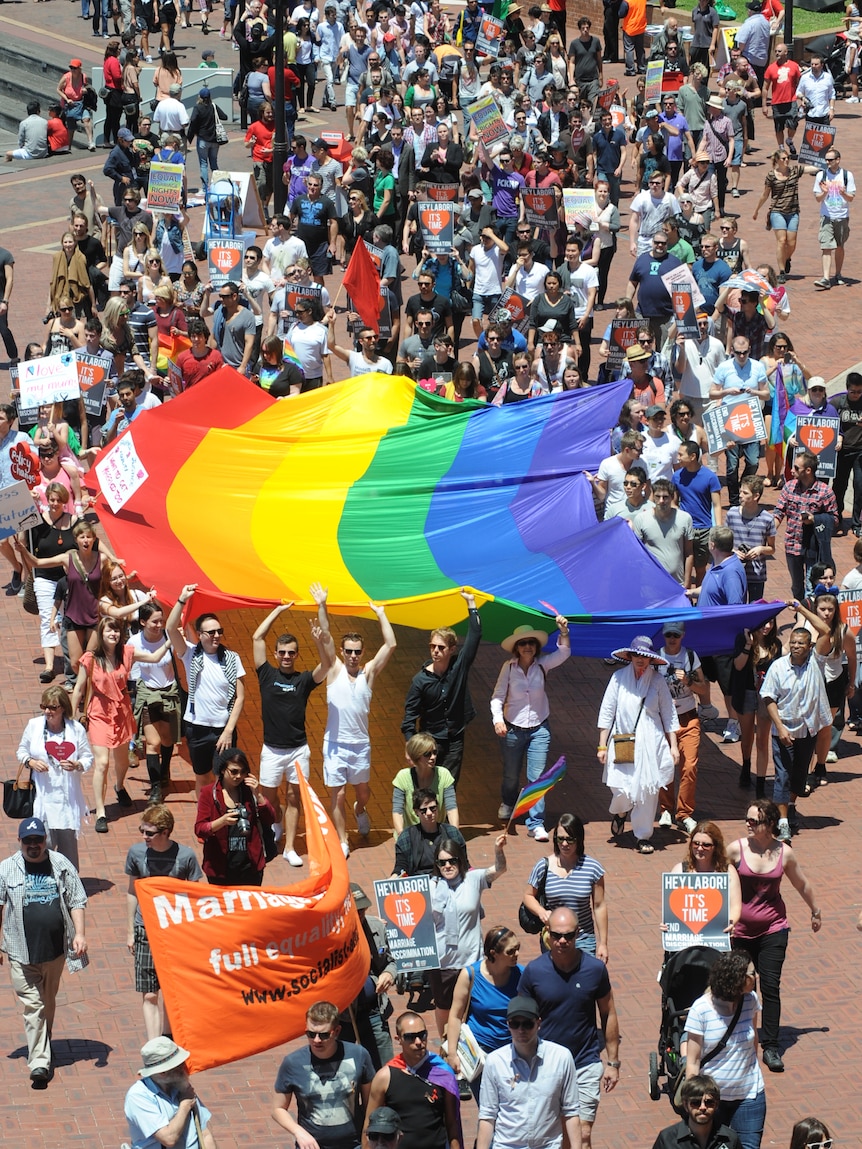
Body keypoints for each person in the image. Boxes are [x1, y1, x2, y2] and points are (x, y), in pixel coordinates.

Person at [728, 797, 823, 1074]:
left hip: (773, 928)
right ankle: (737, 1038)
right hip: (740, 932)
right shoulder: (736, 850)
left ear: (769, 824)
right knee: (742, 986)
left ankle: (769, 1045)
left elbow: (801, 883)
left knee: (770, 986)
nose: (748, 824)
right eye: (746, 819)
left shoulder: (784, 853)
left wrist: (815, 910)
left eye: (753, 820)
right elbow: (711, 878)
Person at [518, 906, 620, 1149]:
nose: (562, 941)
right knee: (557, 1134)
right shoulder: (534, 971)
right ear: (547, 934)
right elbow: (520, 1020)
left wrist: (613, 1062)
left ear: (578, 933)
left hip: (585, 1062)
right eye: (556, 935)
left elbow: (608, 1012)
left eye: (568, 935)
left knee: (582, 1135)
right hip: (546, 1065)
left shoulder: (595, 970)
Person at [0, 816, 87, 1089]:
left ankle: (43, 1043)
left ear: (45, 840)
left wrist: (80, 934)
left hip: (54, 952)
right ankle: (39, 1062)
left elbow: (77, 899)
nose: (34, 846)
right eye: (28, 841)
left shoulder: (60, 865)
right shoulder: (6, 869)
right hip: (19, 951)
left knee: (47, 1003)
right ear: (20, 842)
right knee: (33, 1005)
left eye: (38, 840)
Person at [252, 594, 332, 867]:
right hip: (271, 750)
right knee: (267, 800)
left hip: (298, 749)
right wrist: (277, 610)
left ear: (297, 655)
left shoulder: (304, 680)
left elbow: (327, 666)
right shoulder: (266, 674)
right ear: (276, 655)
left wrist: (319, 640)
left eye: (291, 653)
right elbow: (257, 638)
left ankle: (288, 848)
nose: (286, 657)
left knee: (294, 797)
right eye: (282, 653)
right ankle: (273, 826)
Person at [71, 616, 169, 833]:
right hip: (99, 713)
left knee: (122, 761)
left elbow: (154, 656)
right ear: (101, 634)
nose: (113, 634)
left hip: (122, 712)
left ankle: (119, 786)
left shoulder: (126, 652)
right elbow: (79, 688)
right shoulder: (90, 659)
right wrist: (69, 717)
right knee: (103, 763)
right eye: (109, 631)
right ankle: (101, 812)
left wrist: (171, 635)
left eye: (116, 631)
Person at [316, 594, 396, 853]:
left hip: (360, 746)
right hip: (335, 746)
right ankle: (342, 840)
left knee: (362, 793)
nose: (352, 655)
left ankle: (360, 810)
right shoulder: (334, 670)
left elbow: (391, 644)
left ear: (362, 653)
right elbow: (325, 634)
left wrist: (381, 613)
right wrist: (322, 605)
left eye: (357, 651)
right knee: (337, 794)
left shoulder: (368, 673)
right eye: (348, 651)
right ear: (342, 652)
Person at [125, 803, 203, 1041]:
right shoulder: (137, 854)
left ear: (165, 832)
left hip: (175, 932)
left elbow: (194, 895)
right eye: (142, 831)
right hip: (145, 930)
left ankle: (168, 1036)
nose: (144, 837)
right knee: (150, 994)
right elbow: (132, 891)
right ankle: (154, 1044)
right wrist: (130, 930)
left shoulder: (185, 856)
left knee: (171, 990)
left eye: (149, 833)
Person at [597, 634, 680, 854]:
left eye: (645, 656)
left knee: (648, 789)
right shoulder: (617, 678)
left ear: (651, 659)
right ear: (630, 656)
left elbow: (669, 715)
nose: (640, 660)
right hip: (623, 742)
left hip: (651, 745)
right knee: (621, 789)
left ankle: (642, 835)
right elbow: (607, 712)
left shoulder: (658, 681)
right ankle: (621, 812)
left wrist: (673, 745)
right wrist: (602, 745)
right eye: (637, 655)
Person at [491, 617, 570, 837]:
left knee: (537, 778)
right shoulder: (508, 668)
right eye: (523, 643)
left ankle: (535, 823)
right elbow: (497, 697)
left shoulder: (542, 665)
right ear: (517, 647)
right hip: (512, 729)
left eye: (531, 643)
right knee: (511, 775)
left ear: (536, 647)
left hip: (539, 729)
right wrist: (498, 719)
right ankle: (508, 802)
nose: (527, 646)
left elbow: (563, 653)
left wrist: (563, 632)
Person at [166, 586, 246, 798]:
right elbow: (171, 628)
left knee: (228, 777)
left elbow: (240, 697)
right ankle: (205, 820)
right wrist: (182, 600)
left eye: (219, 631)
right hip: (197, 728)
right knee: (202, 776)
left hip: (223, 729)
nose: (217, 635)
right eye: (211, 632)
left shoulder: (232, 658)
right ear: (200, 635)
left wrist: (229, 730)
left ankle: (227, 818)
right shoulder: (189, 654)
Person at [477, 994, 582, 1149]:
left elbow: (571, 1111)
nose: (521, 1030)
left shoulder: (561, 1058)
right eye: (515, 1024)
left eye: (527, 1024)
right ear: (508, 1024)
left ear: (538, 1023)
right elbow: (487, 1115)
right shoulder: (495, 1062)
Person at [684, 952, 765, 1149]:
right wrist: (693, 1100)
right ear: (736, 978)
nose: (757, 977)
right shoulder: (701, 1010)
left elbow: (753, 1039)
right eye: (752, 974)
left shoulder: (750, 1000)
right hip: (712, 1100)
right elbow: (693, 1062)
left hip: (749, 1096)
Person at [401, 589, 480, 786]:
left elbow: (475, 635)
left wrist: (471, 604)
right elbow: (409, 716)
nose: (435, 651)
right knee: (427, 787)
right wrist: (411, 745)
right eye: (432, 646)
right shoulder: (420, 680)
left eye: (441, 647)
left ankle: (444, 818)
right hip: (429, 740)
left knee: (449, 786)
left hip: (454, 739)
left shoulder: (458, 667)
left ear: (452, 649)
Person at [759, 624, 831, 841]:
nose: (796, 646)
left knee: (799, 777)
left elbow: (826, 631)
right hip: (784, 730)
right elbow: (769, 698)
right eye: (793, 642)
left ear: (810, 646)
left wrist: (800, 607)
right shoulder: (778, 667)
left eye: (801, 643)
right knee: (782, 775)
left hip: (807, 731)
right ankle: (782, 824)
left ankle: (789, 807)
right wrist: (779, 727)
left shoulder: (816, 662)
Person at [429, 835, 507, 1034]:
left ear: (460, 860)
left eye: (452, 860)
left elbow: (499, 869)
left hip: (471, 962)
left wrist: (498, 850)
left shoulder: (473, 879)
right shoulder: (429, 887)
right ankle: (447, 1048)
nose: (447, 866)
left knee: (470, 1011)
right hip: (442, 963)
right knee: (444, 1009)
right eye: (442, 862)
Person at [272, 999, 375, 1148]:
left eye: (324, 1035)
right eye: (310, 1034)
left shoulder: (359, 1055)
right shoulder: (292, 1063)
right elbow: (278, 1109)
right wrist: (299, 1133)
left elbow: (371, 1103)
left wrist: (368, 1138)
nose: (316, 1040)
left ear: (337, 1031)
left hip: (354, 1144)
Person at [16, 687, 93, 872]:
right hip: (42, 798)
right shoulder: (34, 726)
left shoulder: (76, 730)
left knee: (68, 852)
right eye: (44, 706)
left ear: (63, 708)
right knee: (43, 844)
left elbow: (88, 757)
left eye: (52, 707)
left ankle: (70, 887)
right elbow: (21, 751)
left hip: (67, 800)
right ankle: (43, 882)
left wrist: (77, 765)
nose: (47, 711)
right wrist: (31, 762)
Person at [364, 1011, 461, 1149]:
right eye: (410, 1037)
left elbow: (452, 1124)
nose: (418, 1042)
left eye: (422, 1035)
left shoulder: (443, 1074)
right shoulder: (384, 1077)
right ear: (398, 1039)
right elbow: (369, 1126)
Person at [446, 925, 524, 1094]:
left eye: (518, 949)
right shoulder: (470, 975)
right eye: (510, 951)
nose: (516, 954)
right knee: (488, 1107)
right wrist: (452, 1053)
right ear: (494, 954)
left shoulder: (522, 975)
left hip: (512, 1051)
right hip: (480, 1053)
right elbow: (455, 1016)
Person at [656, 622, 711, 832]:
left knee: (689, 765)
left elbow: (704, 688)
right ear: (663, 635)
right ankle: (665, 810)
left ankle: (685, 813)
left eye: (676, 635)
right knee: (666, 765)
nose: (672, 639)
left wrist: (689, 681)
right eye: (669, 634)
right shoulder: (656, 659)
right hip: (663, 721)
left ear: (683, 636)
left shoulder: (690, 657)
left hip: (688, 718)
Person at [194, 747, 276, 887]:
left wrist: (258, 795)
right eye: (234, 771)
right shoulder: (209, 793)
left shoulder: (249, 792)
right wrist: (222, 822)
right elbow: (200, 829)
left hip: (250, 867)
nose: (238, 776)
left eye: (243, 772)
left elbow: (270, 818)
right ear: (222, 770)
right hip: (220, 867)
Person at [124, 1036, 217, 1148]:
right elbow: (168, 1139)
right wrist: (185, 1105)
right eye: (178, 1065)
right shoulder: (138, 1096)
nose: (184, 1067)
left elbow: (204, 1133)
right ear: (162, 1072)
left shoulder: (181, 1085)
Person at [709, 337, 769, 507]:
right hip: (731, 420)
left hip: (751, 419)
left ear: (749, 350)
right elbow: (712, 393)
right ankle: (735, 500)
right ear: (733, 351)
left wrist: (755, 392)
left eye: (745, 352)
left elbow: (767, 394)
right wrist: (727, 391)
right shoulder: (724, 367)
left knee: (753, 462)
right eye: (738, 352)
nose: (742, 356)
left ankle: (744, 486)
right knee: (732, 466)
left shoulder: (757, 366)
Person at [772, 451, 839, 600]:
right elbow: (778, 512)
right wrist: (769, 531)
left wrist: (814, 519)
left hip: (812, 547)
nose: (791, 470)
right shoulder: (789, 487)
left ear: (808, 470)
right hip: (792, 545)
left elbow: (834, 519)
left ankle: (809, 619)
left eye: (796, 468)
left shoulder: (825, 491)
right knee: (797, 586)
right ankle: (800, 616)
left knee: (811, 588)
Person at [667, 823, 743, 931]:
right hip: (685, 937)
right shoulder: (679, 870)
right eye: (696, 844)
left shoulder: (728, 871)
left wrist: (730, 923)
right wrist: (667, 924)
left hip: (716, 934)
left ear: (715, 847)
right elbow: (670, 908)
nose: (700, 848)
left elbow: (735, 907)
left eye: (706, 845)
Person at [633, 478, 695, 586]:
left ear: (672, 497)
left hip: (678, 584)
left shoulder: (685, 518)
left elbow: (689, 553)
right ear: (653, 497)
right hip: (651, 584)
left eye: (665, 497)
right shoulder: (641, 519)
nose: (661, 501)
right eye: (657, 496)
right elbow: (637, 553)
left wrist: (687, 583)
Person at [653, 1075, 741, 1149]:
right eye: (696, 1103)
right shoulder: (667, 1139)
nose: (703, 1107)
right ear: (685, 1105)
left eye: (709, 1102)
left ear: (716, 1105)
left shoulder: (730, 1139)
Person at [393, 788, 465, 876]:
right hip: (419, 884)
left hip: (447, 881)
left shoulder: (452, 834)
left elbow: (464, 864)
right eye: (424, 810)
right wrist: (393, 878)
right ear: (416, 812)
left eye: (433, 808)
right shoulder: (406, 837)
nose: (429, 813)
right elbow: (401, 867)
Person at [813, 147, 855, 290]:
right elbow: (818, 199)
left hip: (842, 216)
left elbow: (851, 198)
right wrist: (824, 193)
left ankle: (837, 274)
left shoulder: (847, 175)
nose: (828, 162)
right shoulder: (821, 175)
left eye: (830, 160)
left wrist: (843, 193)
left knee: (839, 246)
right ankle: (825, 278)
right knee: (826, 246)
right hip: (826, 216)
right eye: (826, 160)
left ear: (838, 160)